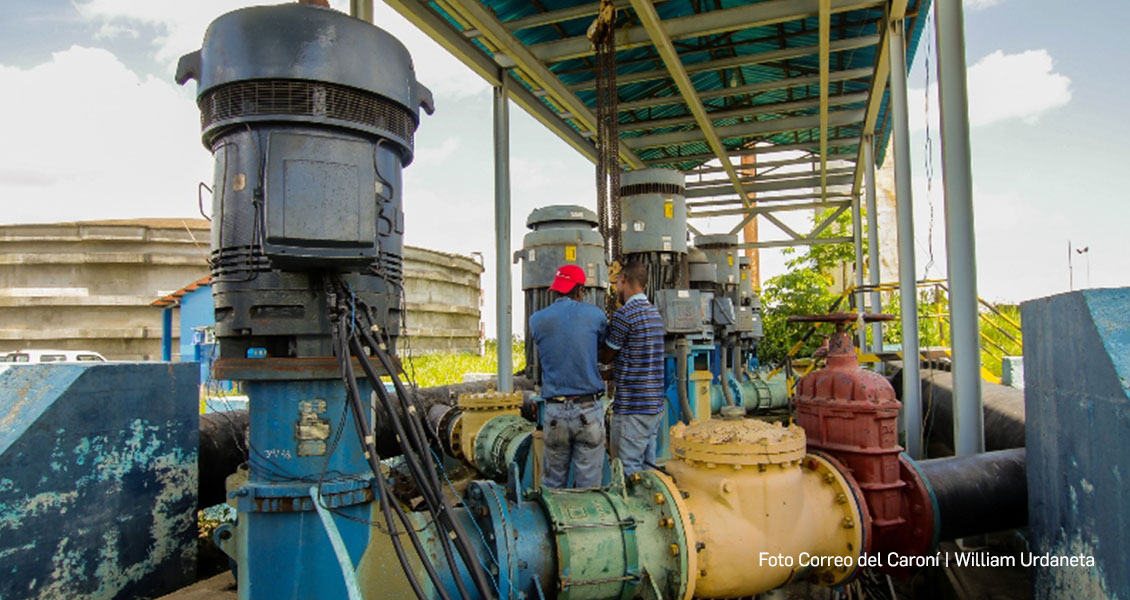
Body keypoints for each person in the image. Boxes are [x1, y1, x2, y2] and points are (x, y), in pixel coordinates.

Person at [528, 264, 608, 488]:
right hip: (588, 410)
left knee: (553, 485)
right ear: (580, 290)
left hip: (554, 413)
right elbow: (601, 348)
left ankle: (553, 521)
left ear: (555, 289)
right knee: (589, 488)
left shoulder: (537, 320)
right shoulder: (596, 316)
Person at [600, 261, 666, 476]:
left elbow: (607, 356)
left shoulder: (624, 315)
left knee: (626, 469)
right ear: (645, 286)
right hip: (654, 406)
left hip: (633, 408)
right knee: (648, 470)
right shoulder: (655, 315)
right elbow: (640, 360)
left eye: (617, 283)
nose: (617, 289)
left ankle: (630, 509)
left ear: (624, 280)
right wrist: (610, 374)